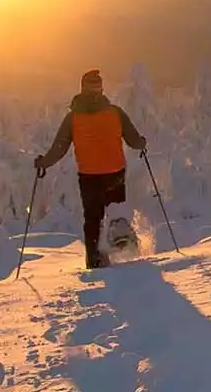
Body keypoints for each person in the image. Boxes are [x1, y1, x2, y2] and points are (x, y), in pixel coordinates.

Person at [35, 68, 148, 269]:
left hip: (89, 175)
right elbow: (134, 141)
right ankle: (127, 259)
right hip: (115, 172)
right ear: (101, 89)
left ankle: (95, 262)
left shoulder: (73, 118)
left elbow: (59, 148)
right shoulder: (115, 112)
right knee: (116, 213)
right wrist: (142, 143)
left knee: (93, 219)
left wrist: (44, 162)